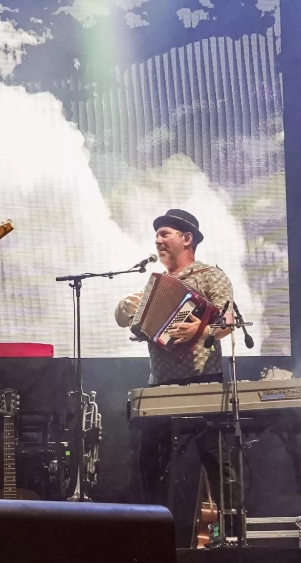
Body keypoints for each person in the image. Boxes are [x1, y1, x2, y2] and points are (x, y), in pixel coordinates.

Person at [115, 209, 240, 534]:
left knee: (217, 460)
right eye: (156, 235)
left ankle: (232, 533)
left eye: (164, 233)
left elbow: (228, 322)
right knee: (151, 462)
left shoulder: (210, 276)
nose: (157, 240)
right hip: (162, 384)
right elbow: (133, 324)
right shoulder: (156, 284)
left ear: (187, 238)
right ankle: (154, 533)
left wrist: (201, 329)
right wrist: (123, 310)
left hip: (203, 381)